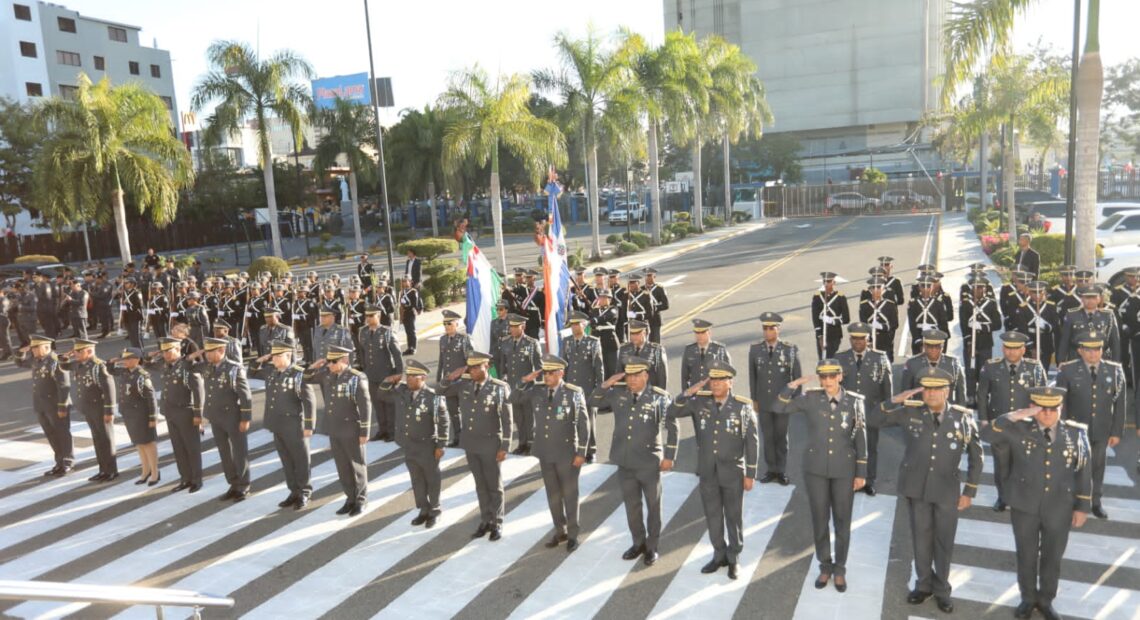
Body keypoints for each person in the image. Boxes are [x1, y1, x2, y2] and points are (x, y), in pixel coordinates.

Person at [871, 368, 983, 614]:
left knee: (944, 541)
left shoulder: (962, 418)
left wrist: (969, 491)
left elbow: (977, 457)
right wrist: (893, 401)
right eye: (927, 389)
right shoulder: (910, 411)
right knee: (921, 538)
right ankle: (923, 585)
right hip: (917, 488)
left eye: (936, 389)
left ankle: (942, 588)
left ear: (947, 391)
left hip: (947, 490)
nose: (931, 394)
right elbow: (873, 421)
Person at [984, 387, 1091, 620]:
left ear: (1061, 409)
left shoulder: (1075, 433)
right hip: (1025, 505)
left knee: (1053, 557)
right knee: (1027, 555)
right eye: (1042, 409)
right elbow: (987, 435)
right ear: (1033, 409)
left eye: (1053, 409)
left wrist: (1082, 506)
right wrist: (1016, 415)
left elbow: (1083, 471)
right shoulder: (1018, 430)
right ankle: (1028, 598)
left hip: (1059, 507)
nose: (1048, 414)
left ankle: (1046, 601)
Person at [775, 359, 867, 591]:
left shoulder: (855, 402)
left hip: (844, 471)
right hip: (815, 470)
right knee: (820, 519)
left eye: (831, 376)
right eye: (823, 377)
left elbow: (861, 439)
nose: (827, 381)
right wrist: (793, 385)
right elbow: (779, 407)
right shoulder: (811, 399)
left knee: (842, 520)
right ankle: (825, 566)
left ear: (840, 376)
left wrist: (861, 473)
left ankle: (840, 568)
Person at [666, 359, 760, 580]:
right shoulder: (699, 402)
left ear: (730, 382)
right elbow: (672, 410)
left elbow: (752, 441)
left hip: (733, 472)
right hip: (708, 471)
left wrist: (750, 474)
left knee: (733, 516)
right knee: (713, 515)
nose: (716, 384)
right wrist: (691, 390)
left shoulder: (742, 406)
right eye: (713, 380)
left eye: (721, 380)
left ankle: (734, 557)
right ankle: (719, 554)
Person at [589, 357, 672, 566]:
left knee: (653, 507)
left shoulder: (659, 398)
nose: (632, 380)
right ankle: (638, 543)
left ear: (646, 376)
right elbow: (594, 402)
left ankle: (652, 547)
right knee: (632, 507)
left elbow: (673, 427)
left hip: (649, 463)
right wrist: (607, 384)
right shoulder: (618, 395)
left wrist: (669, 456)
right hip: (625, 462)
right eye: (629, 376)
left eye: (636, 375)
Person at [517, 355, 590, 551]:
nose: (547, 376)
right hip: (545, 451)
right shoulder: (537, 391)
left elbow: (584, 424)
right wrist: (525, 380)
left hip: (567, 453)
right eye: (545, 373)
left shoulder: (574, 393)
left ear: (561, 373)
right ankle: (560, 531)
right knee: (553, 495)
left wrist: (582, 451)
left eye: (551, 373)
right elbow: (513, 398)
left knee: (570, 495)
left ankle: (573, 534)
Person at [1053, 329, 1125, 520]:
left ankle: (1096, 502)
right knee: (1073, 466)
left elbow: (1119, 405)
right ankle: (1074, 501)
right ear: (1080, 351)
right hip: (1075, 430)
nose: (1093, 353)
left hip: (1101, 430)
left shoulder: (1114, 370)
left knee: (1098, 466)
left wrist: (1116, 431)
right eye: (1089, 349)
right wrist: (1063, 429)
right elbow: (1062, 403)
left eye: (1097, 349)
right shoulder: (1067, 370)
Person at [441, 352, 512, 540]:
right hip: (471, 443)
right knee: (480, 484)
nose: (472, 371)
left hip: (490, 444)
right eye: (469, 368)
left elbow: (507, 420)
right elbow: (441, 391)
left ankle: (497, 522)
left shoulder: (499, 388)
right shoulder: (464, 385)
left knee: (494, 485)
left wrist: (505, 446)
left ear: (486, 366)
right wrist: (451, 377)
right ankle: (485, 520)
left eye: (475, 367)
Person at [975, 331, 1048, 512]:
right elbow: (982, 395)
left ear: (1023, 350)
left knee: (1027, 464)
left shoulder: (1035, 368)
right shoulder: (991, 368)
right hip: (1000, 427)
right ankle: (1003, 497)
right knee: (1002, 464)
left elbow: (1044, 397)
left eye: (1016, 349)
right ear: (1003, 348)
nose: (1011, 352)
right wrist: (984, 420)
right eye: (1008, 348)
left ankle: (1024, 497)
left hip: (1026, 427)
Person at [378, 360, 449, 528]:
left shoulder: (433, 397)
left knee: (432, 478)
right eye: (407, 376)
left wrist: (441, 445)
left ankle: (435, 509)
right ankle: (423, 509)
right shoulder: (402, 392)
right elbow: (381, 395)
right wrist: (388, 381)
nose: (408, 379)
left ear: (423, 377)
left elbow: (444, 422)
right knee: (416, 479)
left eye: (413, 376)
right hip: (409, 444)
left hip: (427, 445)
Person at [305, 345, 372, 517]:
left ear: (344, 360)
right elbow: (305, 378)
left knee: (357, 465)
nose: (330, 365)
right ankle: (350, 498)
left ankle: (361, 499)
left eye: (333, 361)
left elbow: (365, 406)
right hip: (334, 428)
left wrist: (365, 431)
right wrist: (315, 366)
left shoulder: (357, 377)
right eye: (329, 361)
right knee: (342, 466)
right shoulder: (327, 375)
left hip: (351, 428)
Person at [835, 322, 892, 496]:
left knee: (869, 448)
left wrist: (885, 412)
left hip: (871, 413)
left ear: (869, 340)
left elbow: (887, 389)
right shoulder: (840, 358)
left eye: (862, 338)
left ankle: (868, 480)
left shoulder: (880, 358)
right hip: (846, 414)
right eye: (854, 338)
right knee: (847, 448)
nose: (858, 342)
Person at [195, 337, 254, 502]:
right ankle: (233, 484)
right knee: (224, 453)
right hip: (215, 417)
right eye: (206, 351)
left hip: (232, 417)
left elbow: (245, 396)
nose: (207, 355)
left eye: (210, 351)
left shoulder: (234, 369)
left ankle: (243, 485)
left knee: (239, 452)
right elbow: (187, 365)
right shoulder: (208, 367)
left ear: (221, 351)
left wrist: (245, 418)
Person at [748, 312, 802, 485]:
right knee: (768, 436)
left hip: (783, 403)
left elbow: (796, 378)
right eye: (765, 328)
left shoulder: (790, 350)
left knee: (781, 437)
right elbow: (753, 376)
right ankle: (771, 469)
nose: (768, 332)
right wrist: (754, 400)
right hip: (763, 402)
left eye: (772, 328)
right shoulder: (755, 349)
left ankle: (782, 470)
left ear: (778, 330)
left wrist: (795, 400)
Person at [59, 339, 118, 482]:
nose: (75, 354)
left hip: (100, 409)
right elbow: (64, 366)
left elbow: (109, 390)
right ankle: (102, 469)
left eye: (79, 351)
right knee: (97, 439)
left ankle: (111, 470)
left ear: (89, 351)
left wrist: (109, 411)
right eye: (75, 351)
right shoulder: (79, 364)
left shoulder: (99, 367)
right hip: (89, 409)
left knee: (106, 439)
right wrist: (64, 356)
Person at [15, 334, 73, 476]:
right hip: (40, 404)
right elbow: (20, 363)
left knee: (62, 433)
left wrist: (62, 406)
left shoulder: (56, 361)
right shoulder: (36, 360)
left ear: (46, 347)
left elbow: (64, 386)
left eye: (36, 348)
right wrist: (21, 352)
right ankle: (59, 462)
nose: (33, 351)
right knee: (51, 434)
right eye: (33, 348)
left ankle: (67, 461)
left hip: (55, 404)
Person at [153, 336, 205, 493]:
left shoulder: (187, 366)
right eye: (164, 352)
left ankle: (197, 479)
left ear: (178, 349)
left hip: (186, 411)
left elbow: (198, 391)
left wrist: (198, 414)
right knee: (178, 448)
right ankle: (185, 478)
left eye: (169, 351)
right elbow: (145, 363)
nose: (166, 355)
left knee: (192, 448)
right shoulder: (164, 365)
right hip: (170, 412)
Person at [108, 347, 160, 485]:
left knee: (148, 443)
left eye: (128, 359)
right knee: (139, 444)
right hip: (129, 413)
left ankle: (155, 472)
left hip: (142, 414)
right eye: (124, 359)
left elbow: (151, 398)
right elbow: (110, 369)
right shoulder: (124, 372)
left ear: (136, 360)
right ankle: (145, 470)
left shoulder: (142, 375)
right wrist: (112, 361)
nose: (125, 361)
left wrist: (152, 417)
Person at [560, 311, 604, 463]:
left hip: (588, 388)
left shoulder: (593, 342)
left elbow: (599, 366)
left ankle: (591, 450)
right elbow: (563, 366)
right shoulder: (566, 341)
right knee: (571, 420)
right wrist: (562, 386)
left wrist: (600, 389)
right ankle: (576, 448)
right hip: (571, 387)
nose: (574, 327)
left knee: (589, 421)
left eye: (577, 324)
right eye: (572, 324)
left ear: (584, 325)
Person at [358, 306, 404, 443]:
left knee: (389, 404)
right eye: (367, 316)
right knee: (377, 403)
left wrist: (399, 373)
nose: (368, 318)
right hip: (371, 374)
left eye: (371, 316)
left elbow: (396, 353)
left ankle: (392, 431)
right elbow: (362, 352)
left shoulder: (387, 332)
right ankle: (382, 430)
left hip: (386, 374)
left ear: (378, 316)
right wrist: (364, 368)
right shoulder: (363, 332)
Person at [498, 313, 542, 455]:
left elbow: (539, 367)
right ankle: (522, 443)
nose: (511, 329)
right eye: (510, 326)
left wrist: (537, 385)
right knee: (518, 417)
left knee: (529, 418)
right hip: (512, 387)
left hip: (528, 388)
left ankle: (531, 444)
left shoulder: (531, 343)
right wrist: (502, 378)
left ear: (522, 327)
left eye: (515, 327)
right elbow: (502, 364)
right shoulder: (505, 342)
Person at [959, 275, 1003, 403]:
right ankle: (971, 396)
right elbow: (963, 324)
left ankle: (983, 397)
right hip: (970, 343)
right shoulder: (966, 305)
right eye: (976, 287)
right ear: (972, 289)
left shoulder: (991, 304)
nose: (979, 290)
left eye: (981, 287)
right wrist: (968, 342)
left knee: (984, 372)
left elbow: (997, 324)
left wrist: (982, 327)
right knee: (970, 371)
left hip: (985, 344)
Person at [899, 329, 967, 405]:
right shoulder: (912, 363)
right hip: (919, 412)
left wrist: (959, 414)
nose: (933, 349)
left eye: (937, 346)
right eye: (930, 346)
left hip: (946, 413)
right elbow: (905, 393)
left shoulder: (953, 364)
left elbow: (961, 395)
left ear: (943, 347)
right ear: (924, 345)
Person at [436, 309, 473, 446]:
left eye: (449, 324)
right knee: (453, 411)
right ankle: (457, 437)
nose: (446, 327)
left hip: (463, 382)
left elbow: (471, 361)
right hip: (448, 383)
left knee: (466, 411)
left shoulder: (464, 339)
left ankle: (468, 437)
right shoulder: (443, 339)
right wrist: (439, 379)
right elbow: (442, 360)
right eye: (445, 324)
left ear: (457, 324)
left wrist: (461, 371)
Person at [1058, 285, 1121, 363]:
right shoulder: (1072, 315)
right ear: (1082, 299)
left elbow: (1115, 342)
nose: (1091, 300)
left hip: (1101, 358)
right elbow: (1064, 341)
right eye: (1087, 297)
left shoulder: (1108, 315)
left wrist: (1116, 363)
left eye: (1094, 297)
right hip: (1076, 357)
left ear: (1099, 299)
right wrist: (1061, 361)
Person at [680, 318, 730, 391]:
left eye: (703, 333)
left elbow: (728, 376)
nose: (699, 336)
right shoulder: (689, 350)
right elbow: (684, 377)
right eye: (697, 333)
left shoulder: (719, 349)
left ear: (709, 333)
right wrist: (685, 396)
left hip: (714, 394)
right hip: (695, 395)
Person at [617, 319, 668, 390]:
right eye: (631, 334)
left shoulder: (657, 350)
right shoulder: (624, 349)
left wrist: (659, 396)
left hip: (649, 394)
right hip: (629, 394)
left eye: (637, 334)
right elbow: (618, 375)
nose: (633, 337)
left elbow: (662, 377)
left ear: (645, 333)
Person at [858, 277, 899, 361]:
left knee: (886, 368)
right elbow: (863, 324)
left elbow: (895, 324)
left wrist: (882, 326)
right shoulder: (864, 305)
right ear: (870, 290)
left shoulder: (890, 304)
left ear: (883, 288)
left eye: (878, 287)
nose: (876, 290)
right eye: (873, 287)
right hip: (870, 342)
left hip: (885, 341)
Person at [811, 272, 850, 359]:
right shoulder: (817, 297)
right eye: (824, 281)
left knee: (832, 359)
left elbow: (846, 318)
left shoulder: (840, 297)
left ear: (834, 282)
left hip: (835, 334)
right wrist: (819, 336)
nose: (826, 284)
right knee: (822, 359)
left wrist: (832, 320)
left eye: (828, 281)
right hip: (822, 333)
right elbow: (815, 317)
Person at [398, 276, 423, 355]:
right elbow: (401, 304)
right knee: (407, 331)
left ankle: (413, 347)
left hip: (411, 312)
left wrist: (416, 309)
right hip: (405, 312)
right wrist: (401, 316)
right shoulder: (402, 292)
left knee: (411, 330)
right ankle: (409, 347)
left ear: (410, 282)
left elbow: (415, 303)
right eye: (403, 281)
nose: (405, 283)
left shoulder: (413, 291)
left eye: (406, 281)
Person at [644, 268, 669, 344]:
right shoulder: (641, 289)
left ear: (654, 277)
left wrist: (654, 307)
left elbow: (666, 305)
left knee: (655, 343)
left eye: (649, 275)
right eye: (646, 276)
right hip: (645, 320)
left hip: (655, 319)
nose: (647, 278)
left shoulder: (659, 289)